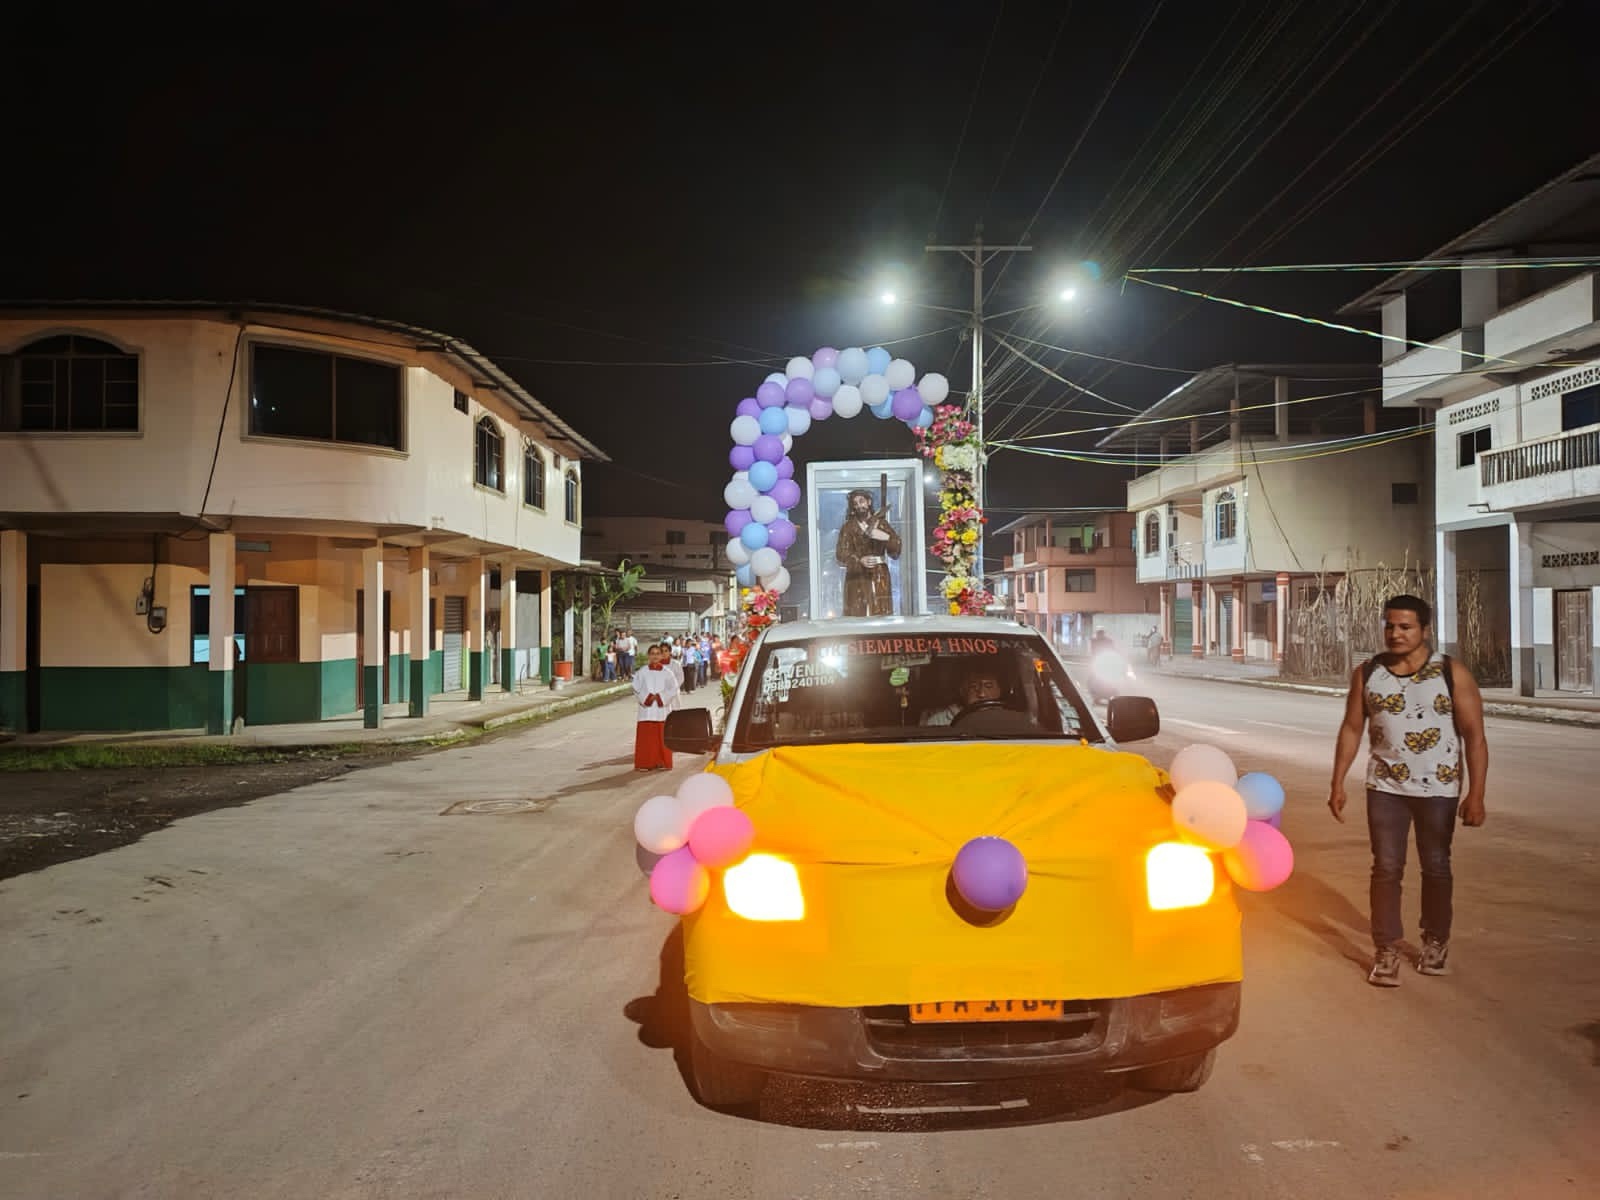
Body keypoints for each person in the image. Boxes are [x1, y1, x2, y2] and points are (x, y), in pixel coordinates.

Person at [1329, 593, 1488, 987]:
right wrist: (1337, 781)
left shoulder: (1451, 673)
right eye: (1390, 625)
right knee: (1386, 868)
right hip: (1385, 787)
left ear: (1425, 630)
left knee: (1436, 866)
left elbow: (1474, 736)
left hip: (1439, 789)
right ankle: (1386, 949)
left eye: (1405, 627)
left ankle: (1435, 941)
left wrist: (1477, 794)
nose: (1395, 634)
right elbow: (1352, 728)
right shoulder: (1367, 673)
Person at [835, 488, 902, 616]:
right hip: (856, 576)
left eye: (862, 501)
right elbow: (840, 553)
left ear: (869, 502)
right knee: (856, 611)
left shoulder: (882, 524)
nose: (859, 505)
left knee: (880, 610)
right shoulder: (848, 527)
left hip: (879, 575)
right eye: (855, 503)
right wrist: (859, 560)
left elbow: (895, 552)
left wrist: (886, 537)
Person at [632, 643, 679, 770]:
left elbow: (673, 689)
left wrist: (659, 697)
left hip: (661, 710)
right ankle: (645, 763)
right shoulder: (642, 672)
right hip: (646, 711)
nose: (655, 656)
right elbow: (636, 688)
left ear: (661, 655)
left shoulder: (667, 672)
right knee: (647, 739)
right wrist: (647, 697)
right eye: (652, 654)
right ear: (648, 656)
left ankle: (662, 762)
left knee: (662, 738)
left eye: (658, 653)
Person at [923, 663, 1006, 726]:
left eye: (988, 686)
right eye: (973, 686)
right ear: (962, 691)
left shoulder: (1008, 719)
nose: (982, 694)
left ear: (999, 691)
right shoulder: (939, 721)